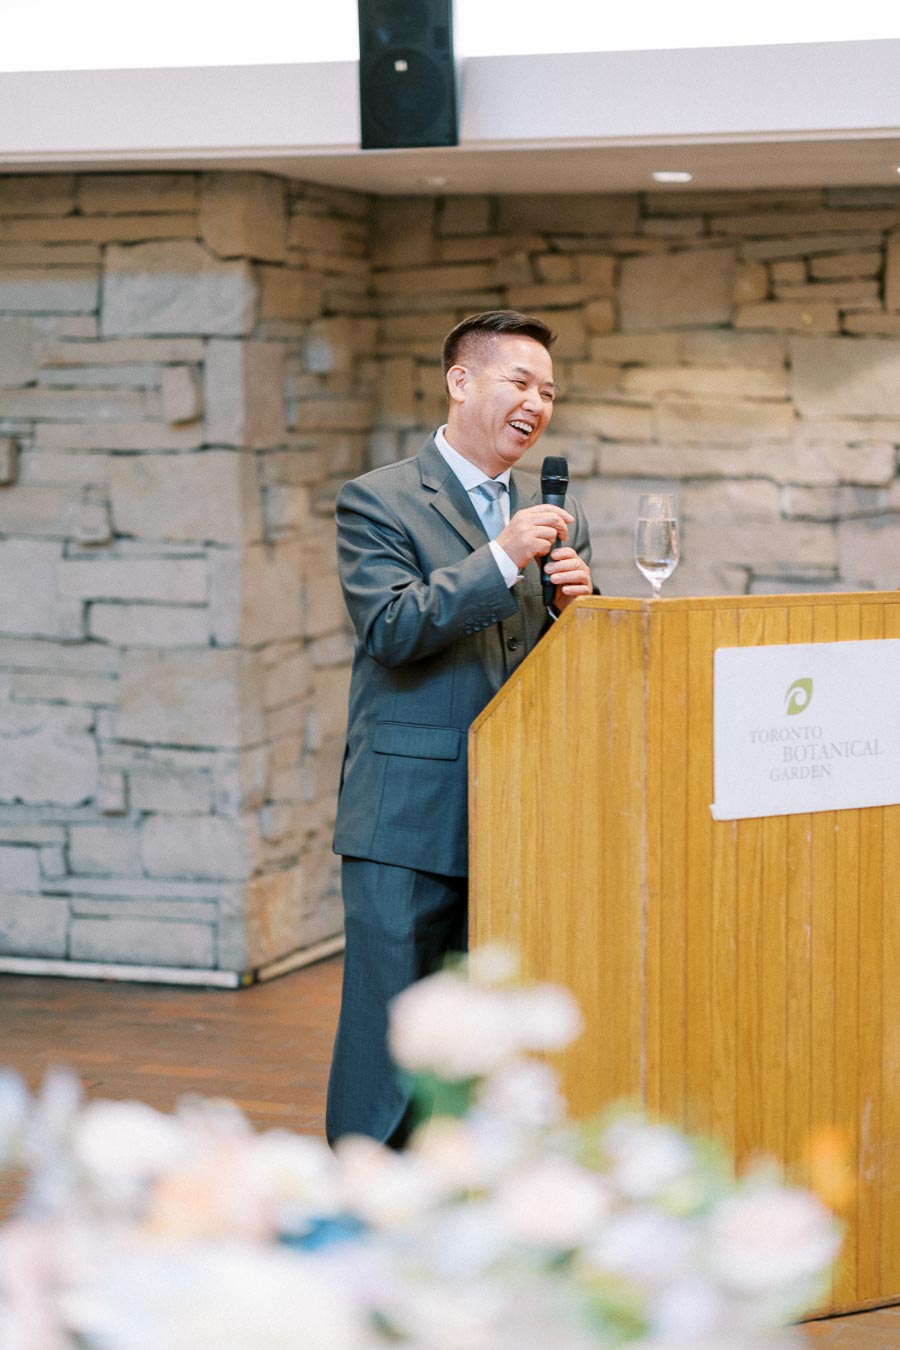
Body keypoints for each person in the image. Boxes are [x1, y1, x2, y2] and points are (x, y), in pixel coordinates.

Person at [326, 310, 595, 1147]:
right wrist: (504, 557)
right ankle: (362, 1201)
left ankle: (461, 1208)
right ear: (461, 381)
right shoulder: (378, 499)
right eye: (520, 381)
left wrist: (578, 615)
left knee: (484, 1036)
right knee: (390, 1033)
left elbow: (550, 674)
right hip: (407, 815)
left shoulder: (556, 518)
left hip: (516, 817)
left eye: (548, 391)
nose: (536, 403)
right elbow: (393, 630)